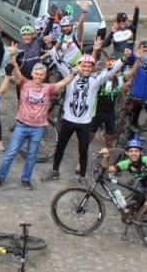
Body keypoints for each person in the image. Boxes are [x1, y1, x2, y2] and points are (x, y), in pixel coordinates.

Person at [0, 55, 76, 190]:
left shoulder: (48, 88)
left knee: (31, 156)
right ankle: (0, 177)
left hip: (38, 128)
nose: (38, 76)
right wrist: (12, 58)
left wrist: (74, 73)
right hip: (22, 126)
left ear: (45, 75)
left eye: (41, 74)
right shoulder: (24, 83)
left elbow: (63, 83)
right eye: (36, 73)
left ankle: (26, 179)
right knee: (10, 153)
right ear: (32, 74)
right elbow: (17, 71)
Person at [44, 42, 124, 183]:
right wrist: (50, 45)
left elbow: (110, 70)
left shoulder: (95, 79)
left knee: (83, 150)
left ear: (92, 68)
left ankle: (82, 176)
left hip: (85, 122)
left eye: (89, 66)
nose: (86, 69)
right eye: (83, 66)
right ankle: (54, 170)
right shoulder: (71, 73)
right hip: (68, 119)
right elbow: (58, 60)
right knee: (60, 146)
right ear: (78, 66)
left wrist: (123, 58)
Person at [100, 140, 147, 213]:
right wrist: (107, 158)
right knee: (127, 211)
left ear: (141, 153)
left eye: (136, 151)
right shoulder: (126, 164)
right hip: (143, 188)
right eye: (131, 151)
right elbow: (108, 169)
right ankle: (141, 215)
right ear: (127, 153)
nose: (133, 153)